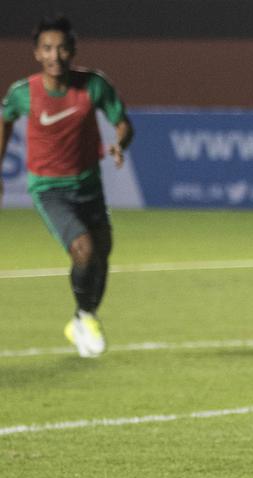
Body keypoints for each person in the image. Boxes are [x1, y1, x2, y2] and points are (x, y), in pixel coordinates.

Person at [1, 15, 133, 358]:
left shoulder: (93, 86)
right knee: (84, 249)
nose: (55, 55)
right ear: (36, 54)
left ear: (73, 50)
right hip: (49, 189)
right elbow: (4, 120)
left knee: (101, 254)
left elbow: (122, 123)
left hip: (89, 186)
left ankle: (81, 317)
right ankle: (85, 316)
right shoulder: (23, 93)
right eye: (47, 48)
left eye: (61, 48)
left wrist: (120, 143)